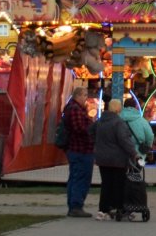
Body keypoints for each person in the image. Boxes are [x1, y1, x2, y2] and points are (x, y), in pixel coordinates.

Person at [92, 99, 139, 220]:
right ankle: (120, 208)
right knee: (118, 185)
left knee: (106, 184)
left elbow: (90, 132)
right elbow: (124, 141)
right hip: (118, 159)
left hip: (102, 158)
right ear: (118, 109)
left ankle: (103, 210)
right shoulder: (119, 123)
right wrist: (134, 153)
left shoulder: (99, 121)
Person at [64, 87, 95, 218]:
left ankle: (73, 205)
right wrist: (92, 129)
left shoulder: (71, 108)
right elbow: (79, 129)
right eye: (84, 95)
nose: (86, 98)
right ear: (77, 96)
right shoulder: (76, 110)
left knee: (75, 177)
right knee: (81, 178)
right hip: (81, 149)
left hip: (76, 149)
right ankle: (76, 206)